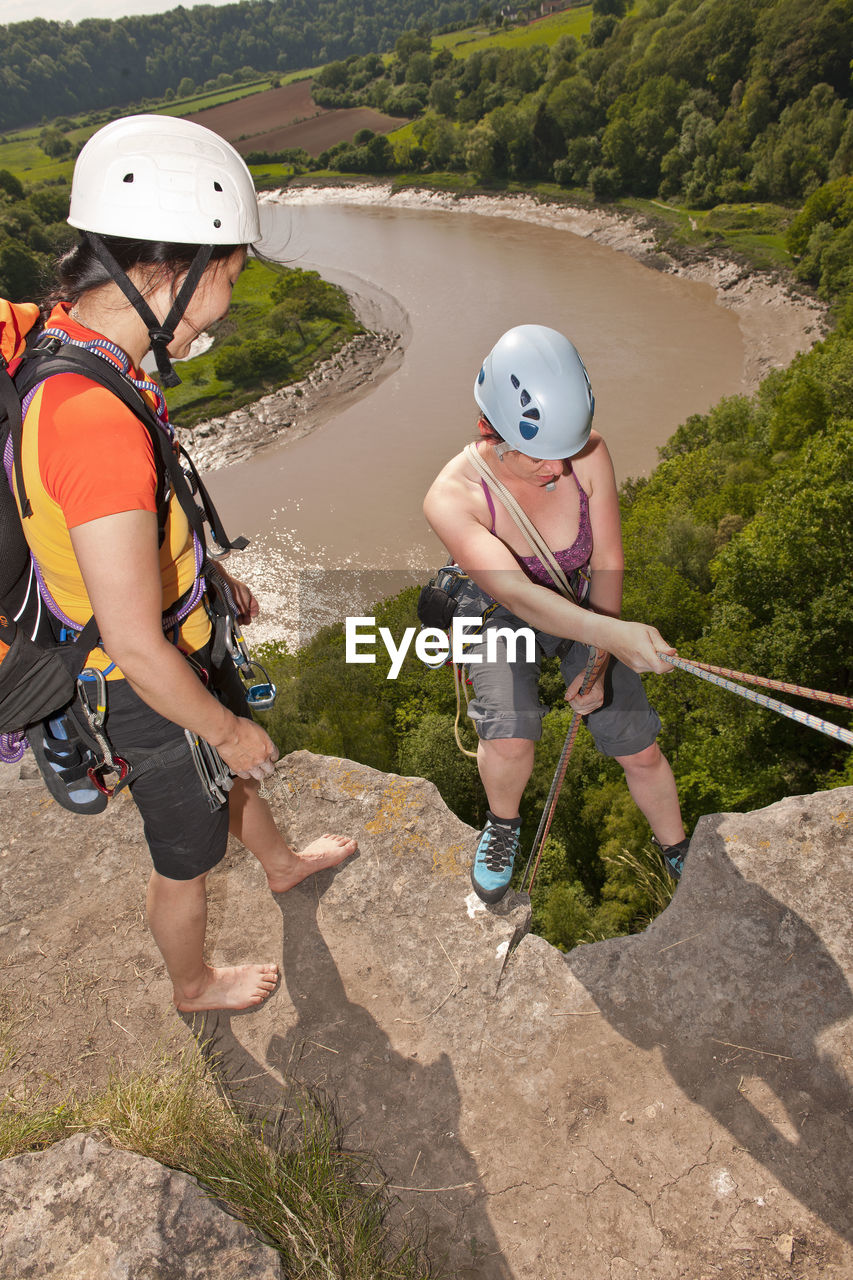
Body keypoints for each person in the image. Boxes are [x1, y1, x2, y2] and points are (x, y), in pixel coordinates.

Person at [15, 114, 356, 1011]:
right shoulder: (91, 421)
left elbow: (138, 528)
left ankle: (279, 864)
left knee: (229, 764)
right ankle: (193, 984)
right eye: (229, 279)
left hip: (184, 637)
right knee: (186, 862)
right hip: (140, 689)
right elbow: (132, 641)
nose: (229, 304)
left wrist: (204, 573)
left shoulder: (86, 348)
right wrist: (225, 727)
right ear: (170, 270)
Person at [423, 324, 689, 904]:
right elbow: (517, 596)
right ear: (491, 433)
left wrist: (597, 663)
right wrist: (612, 637)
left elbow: (609, 558)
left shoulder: (587, 450)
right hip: (498, 609)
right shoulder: (452, 497)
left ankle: (676, 848)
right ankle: (502, 825)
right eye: (542, 458)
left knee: (636, 743)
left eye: (566, 453)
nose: (560, 469)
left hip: (579, 599)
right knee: (512, 733)